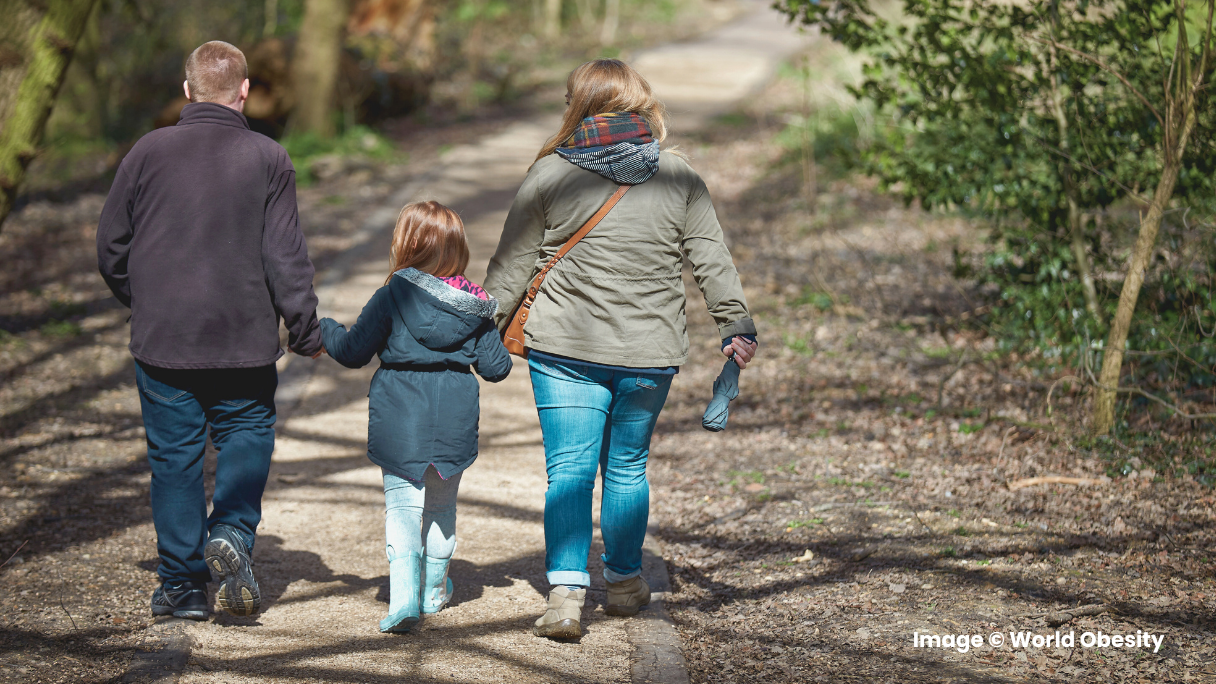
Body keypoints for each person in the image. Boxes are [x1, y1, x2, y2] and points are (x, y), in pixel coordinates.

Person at [484, 59, 758, 640]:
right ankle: (626, 582)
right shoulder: (678, 174)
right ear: (642, 104)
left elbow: (509, 269)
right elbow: (711, 256)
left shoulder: (550, 173)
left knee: (569, 471)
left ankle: (564, 593)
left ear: (577, 107)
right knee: (627, 468)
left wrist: (477, 331)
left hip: (563, 349)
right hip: (648, 350)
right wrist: (735, 324)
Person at [97, 41, 323, 620]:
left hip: (163, 339)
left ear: (187, 89)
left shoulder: (146, 152)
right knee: (247, 433)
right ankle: (232, 531)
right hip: (243, 341)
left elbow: (111, 247)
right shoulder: (268, 157)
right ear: (244, 92)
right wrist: (303, 327)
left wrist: (144, 300)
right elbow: (285, 257)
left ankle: (181, 586)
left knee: (173, 460)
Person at [319, 201, 512, 633]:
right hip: (454, 414)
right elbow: (497, 369)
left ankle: (404, 598)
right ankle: (433, 592)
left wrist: (326, 329)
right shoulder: (476, 304)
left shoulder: (395, 293)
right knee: (442, 506)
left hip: (399, 410)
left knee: (403, 506)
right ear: (457, 247)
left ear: (407, 244)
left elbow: (352, 352)